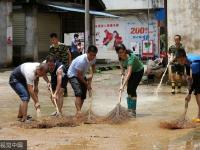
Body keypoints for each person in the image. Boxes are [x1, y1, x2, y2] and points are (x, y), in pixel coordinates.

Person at [67, 45, 98, 117]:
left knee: (83, 95)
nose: (92, 57)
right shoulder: (81, 60)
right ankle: (78, 111)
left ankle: (78, 113)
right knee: (78, 92)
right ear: (87, 53)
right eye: (91, 55)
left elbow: (92, 69)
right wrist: (86, 84)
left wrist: (89, 83)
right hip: (73, 75)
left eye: (94, 55)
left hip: (81, 74)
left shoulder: (93, 59)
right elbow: (79, 75)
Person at [115, 44, 144, 117]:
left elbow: (129, 73)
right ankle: (129, 109)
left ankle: (133, 111)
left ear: (125, 51)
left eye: (122, 52)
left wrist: (122, 86)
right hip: (131, 72)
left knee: (132, 89)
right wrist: (122, 72)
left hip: (138, 71)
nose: (120, 54)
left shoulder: (131, 58)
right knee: (128, 90)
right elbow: (122, 68)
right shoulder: (120, 57)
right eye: (119, 53)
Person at [175, 48, 200, 119]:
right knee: (197, 93)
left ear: (184, 57)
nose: (180, 62)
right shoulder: (187, 60)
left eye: (181, 60)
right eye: (178, 60)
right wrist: (188, 78)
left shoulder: (194, 64)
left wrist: (189, 94)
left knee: (197, 92)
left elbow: (195, 81)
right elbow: (189, 74)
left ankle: (199, 115)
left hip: (198, 68)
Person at [49, 33, 71, 97]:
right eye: (51, 40)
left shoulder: (63, 46)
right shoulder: (51, 48)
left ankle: (64, 90)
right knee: (57, 78)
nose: (52, 41)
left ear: (57, 39)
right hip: (56, 66)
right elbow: (51, 58)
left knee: (64, 77)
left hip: (64, 64)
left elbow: (69, 54)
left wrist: (69, 64)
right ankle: (57, 90)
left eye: (54, 39)